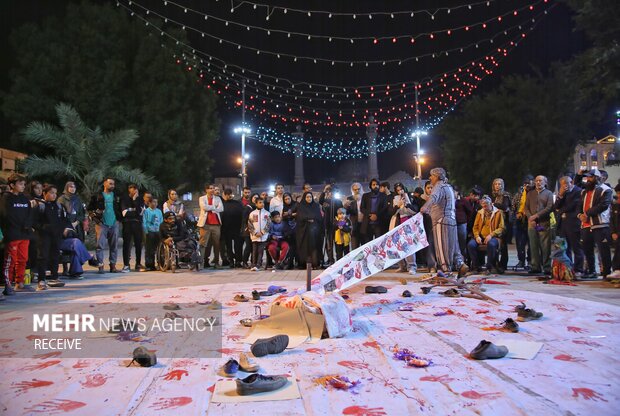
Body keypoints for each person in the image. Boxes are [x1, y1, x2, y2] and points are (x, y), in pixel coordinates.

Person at [420, 167, 468, 275]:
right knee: (453, 245)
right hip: (451, 219)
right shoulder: (449, 187)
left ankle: (446, 271)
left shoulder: (438, 186)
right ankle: (460, 264)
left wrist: (424, 207)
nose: (430, 177)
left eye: (431, 175)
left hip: (441, 221)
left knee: (442, 247)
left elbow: (433, 198)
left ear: (437, 176)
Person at [35, 184, 73, 290]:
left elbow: (64, 220)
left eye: (55, 193)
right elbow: (34, 222)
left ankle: (54, 277)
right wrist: (43, 228)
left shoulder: (58, 206)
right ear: (44, 193)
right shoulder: (40, 206)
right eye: (51, 193)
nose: (54, 195)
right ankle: (41, 280)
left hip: (56, 236)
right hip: (43, 236)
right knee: (43, 257)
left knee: (55, 256)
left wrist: (64, 229)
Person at [0, 174, 33, 295]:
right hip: (12, 234)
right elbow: (6, 216)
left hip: (24, 234)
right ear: (12, 185)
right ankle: (7, 285)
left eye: (24, 184)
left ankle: (20, 283)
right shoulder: (5, 198)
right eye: (20, 184)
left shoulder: (25, 199)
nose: (23, 186)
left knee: (23, 259)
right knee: (10, 261)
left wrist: (27, 225)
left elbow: (30, 214)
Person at [578, 169, 612, 279]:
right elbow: (579, 207)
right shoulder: (584, 191)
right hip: (585, 225)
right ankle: (591, 271)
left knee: (603, 250)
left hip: (600, 224)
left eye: (591, 177)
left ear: (597, 178)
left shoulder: (605, 190)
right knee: (587, 250)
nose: (588, 180)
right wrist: (580, 215)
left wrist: (587, 213)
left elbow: (603, 205)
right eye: (587, 177)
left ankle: (606, 272)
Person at [88, 178, 122, 274]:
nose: (112, 185)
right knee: (100, 246)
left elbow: (119, 208)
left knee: (114, 246)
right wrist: (96, 220)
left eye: (113, 184)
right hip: (102, 224)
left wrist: (118, 220)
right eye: (110, 183)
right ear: (104, 184)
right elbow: (89, 209)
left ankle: (113, 265)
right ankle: (100, 265)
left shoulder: (116, 196)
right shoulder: (98, 196)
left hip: (114, 223)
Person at [553, 176, 584, 275]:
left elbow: (573, 206)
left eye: (566, 184)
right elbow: (556, 206)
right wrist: (561, 195)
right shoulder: (563, 192)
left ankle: (579, 269)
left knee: (576, 247)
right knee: (566, 248)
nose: (565, 187)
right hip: (563, 224)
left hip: (574, 223)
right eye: (562, 185)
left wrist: (561, 211)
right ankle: (569, 268)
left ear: (572, 182)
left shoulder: (578, 191)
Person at [524, 175, 554, 275]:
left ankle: (546, 267)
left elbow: (549, 207)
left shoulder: (549, 193)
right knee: (533, 245)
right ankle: (535, 267)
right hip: (531, 223)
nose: (538, 182)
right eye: (536, 181)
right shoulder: (530, 193)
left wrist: (536, 216)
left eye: (540, 180)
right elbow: (526, 207)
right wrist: (530, 217)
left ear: (545, 182)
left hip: (544, 222)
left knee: (545, 246)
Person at [467, 196, 505, 274]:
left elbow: (501, 228)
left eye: (486, 205)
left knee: (491, 244)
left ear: (491, 204)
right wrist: (477, 236)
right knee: (471, 245)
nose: (484, 207)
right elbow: (475, 227)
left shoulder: (498, 213)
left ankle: (489, 267)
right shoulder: (480, 212)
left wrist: (491, 235)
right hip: (481, 236)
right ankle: (477, 266)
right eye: (483, 205)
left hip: (494, 237)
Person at [391, 183, 418, 273]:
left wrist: (407, 203)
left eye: (401, 189)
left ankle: (412, 266)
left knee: (409, 246)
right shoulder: (395, 199)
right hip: (398, 223)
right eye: (398, 190)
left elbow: (415, 210)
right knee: (398, 246)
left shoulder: (410, 197)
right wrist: (397, 206)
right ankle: (402, 266)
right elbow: (392, 212)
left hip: (408, 222)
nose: (400, 191)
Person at [198, 184, 224, 268]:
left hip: (216, 224)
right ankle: (201, 262)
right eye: (210, 188)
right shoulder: (202, 198)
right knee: (203, 244)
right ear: (206, 190)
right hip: (205, 224)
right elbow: (204, 207)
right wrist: (214, 207)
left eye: (213, 188)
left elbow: (221, 209)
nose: (212, 190)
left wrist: (212, 208)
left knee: (216, 244)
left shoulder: (218, 198)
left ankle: (216, 262)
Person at [120, 184, 145, 272]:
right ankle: (126, 265)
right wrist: (134, 212)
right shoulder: (124, 199)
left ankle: (138, 264)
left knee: (138, 244)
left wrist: (135, 201)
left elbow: (140, 212)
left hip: (137, 224)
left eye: (135, 189)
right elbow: (124, 213)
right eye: (131, 188)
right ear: (128, 190)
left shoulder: (140, 199)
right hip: (127, 224)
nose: (133, 190)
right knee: (126, 244)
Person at [296, 192, 323, 269]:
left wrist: (312, 219)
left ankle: (315, 263)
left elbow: (319, 217)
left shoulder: (316, 206)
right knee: (306, 247)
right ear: (304, 198)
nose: (309, 199)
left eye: (310, 197)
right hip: (304, 232)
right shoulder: (301, 206)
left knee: (314, 247)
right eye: (307, 197)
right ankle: (305, 264)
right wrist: (308, 219)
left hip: (314, 231)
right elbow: (300, 218)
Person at [319, 184, 344, 265]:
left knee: (338, 243)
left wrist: (341, 225)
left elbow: (343, 215)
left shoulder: (339, 202)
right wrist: (324, 190)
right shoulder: (325, 201)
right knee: (328, 244)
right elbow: (320, 200)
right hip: (327, 226)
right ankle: (330, 260)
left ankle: (339, 260)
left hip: (336, 226)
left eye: (333, 192)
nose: (331, 194)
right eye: (330, 192)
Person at [513, 175, 534, 269]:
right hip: (520, 220)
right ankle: (521, 260)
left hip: (531, 220)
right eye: (525, 184)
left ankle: (530, 261)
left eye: (529, 183)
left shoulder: (534, 193)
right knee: (520, 242)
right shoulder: (519, 194)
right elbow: (513, 206)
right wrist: (517, 213)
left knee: (531, 242)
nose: (527, 185)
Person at [456, 187, 482, 260]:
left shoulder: (478, 203)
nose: (477, 197)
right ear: (471, 195)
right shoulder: (465, 201)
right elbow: (469, 213)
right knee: (464, 244)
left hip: (474, 225)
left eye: (478, 196)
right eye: (475, 195)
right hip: (466, 224)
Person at [491, 178, 511, 272]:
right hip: (495, 222)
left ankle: (503, 264)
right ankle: (496, 263)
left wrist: (493, 205)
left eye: (499, 184)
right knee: (497, 243)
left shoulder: (505, 195)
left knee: (503, 244)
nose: (497, 186)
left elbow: (505, 207)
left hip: (504, 222)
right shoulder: (494, 196)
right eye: (496, 184)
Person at [221, 188, 244, 268]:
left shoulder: (238, 203)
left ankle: (238, 261)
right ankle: (231, 261)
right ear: (224, 195)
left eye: (230, 194)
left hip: (237, 228)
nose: (229, 196)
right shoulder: (222, 204)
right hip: (226, 229)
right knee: (229, 247)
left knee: (238, 246)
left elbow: (242, 215)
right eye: (227, 194)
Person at [26, 181, 44, 282]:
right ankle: (32, 272)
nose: (39, 190)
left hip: (42, 229)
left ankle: (38, 271)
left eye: (41, 188)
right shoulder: (28, 200)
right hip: (31, 230)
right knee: (34, 246)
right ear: (32, 189)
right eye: (37, 188)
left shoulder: (43, 200)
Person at [360, 179, 387, 244]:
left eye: (377, 184)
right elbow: (362, 208)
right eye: (373, 185)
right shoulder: (365, 196)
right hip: (368, 224)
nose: (375, 186)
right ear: (370, 186)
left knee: (379, 243)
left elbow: (384, 207)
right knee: (369, 244)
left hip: (379, 224)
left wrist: (376, 215)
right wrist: (370, 215)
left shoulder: (383, 196)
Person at [248, 197, 271, 271]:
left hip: (263, 236)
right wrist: (255, 233)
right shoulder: (252, 213)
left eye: (263, 202)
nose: (262, 204)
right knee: (254, 250)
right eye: (260, 203)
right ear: (256, 204)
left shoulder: (267, 213)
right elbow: (250, 224)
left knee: (260, 250)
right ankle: (253, 264)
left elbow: (268, 224)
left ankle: (258, 264)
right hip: (254, 236)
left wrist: (262, 232)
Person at [143, 197, 163, 271]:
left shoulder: (159, 211)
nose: (154, 204)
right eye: (153, 202)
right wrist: (146, 231)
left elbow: (161, 221)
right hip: (150, 231)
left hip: (158, 231)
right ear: (149, 203)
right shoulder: (146, 211)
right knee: (149, 249)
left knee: (159, 248)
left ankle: (160, 263)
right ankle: (149, 264)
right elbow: (144, 222)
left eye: (156, 202)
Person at [241, 193, 259, 268]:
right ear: (251, 198)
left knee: (254, 247)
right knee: (248, 246)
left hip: (256, 231)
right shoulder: (248, 207)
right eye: (254, 197)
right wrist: (249, 228)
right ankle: (244, 262)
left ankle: (253, 262)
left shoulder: (258, 208)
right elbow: (245, 219)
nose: (255, 199)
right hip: (248, 230)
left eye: (257, 198)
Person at [345, 182, 364, 249]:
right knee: (355, 248)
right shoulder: (350, 199)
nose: (357, 191)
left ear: (361, 189)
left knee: (365, 247)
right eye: (355, 189)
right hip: (354, 227)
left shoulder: (365, 197)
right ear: (352, 190)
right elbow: (346, 213)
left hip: (364, 226)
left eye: (358, 189)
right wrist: (346, 206)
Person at [282, 192, 298, 268]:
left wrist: (289, 214)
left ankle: (297, 262)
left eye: (288, 198)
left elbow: (299, 214)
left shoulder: (296, 204)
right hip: (288, 230)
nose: (287, 200)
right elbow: (283, 217)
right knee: (290, 247)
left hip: (296, 229)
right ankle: (290, 263)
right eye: (285, 199)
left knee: (296, 246)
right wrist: (292, 214)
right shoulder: (284, 207)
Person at [609, 184, 620, 279]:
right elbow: (612, 219)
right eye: (617, 193)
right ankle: (616, 270)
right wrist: (613, 232)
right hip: (617, 233)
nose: (618, 195)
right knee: (617, 251)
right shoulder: (616, 205)